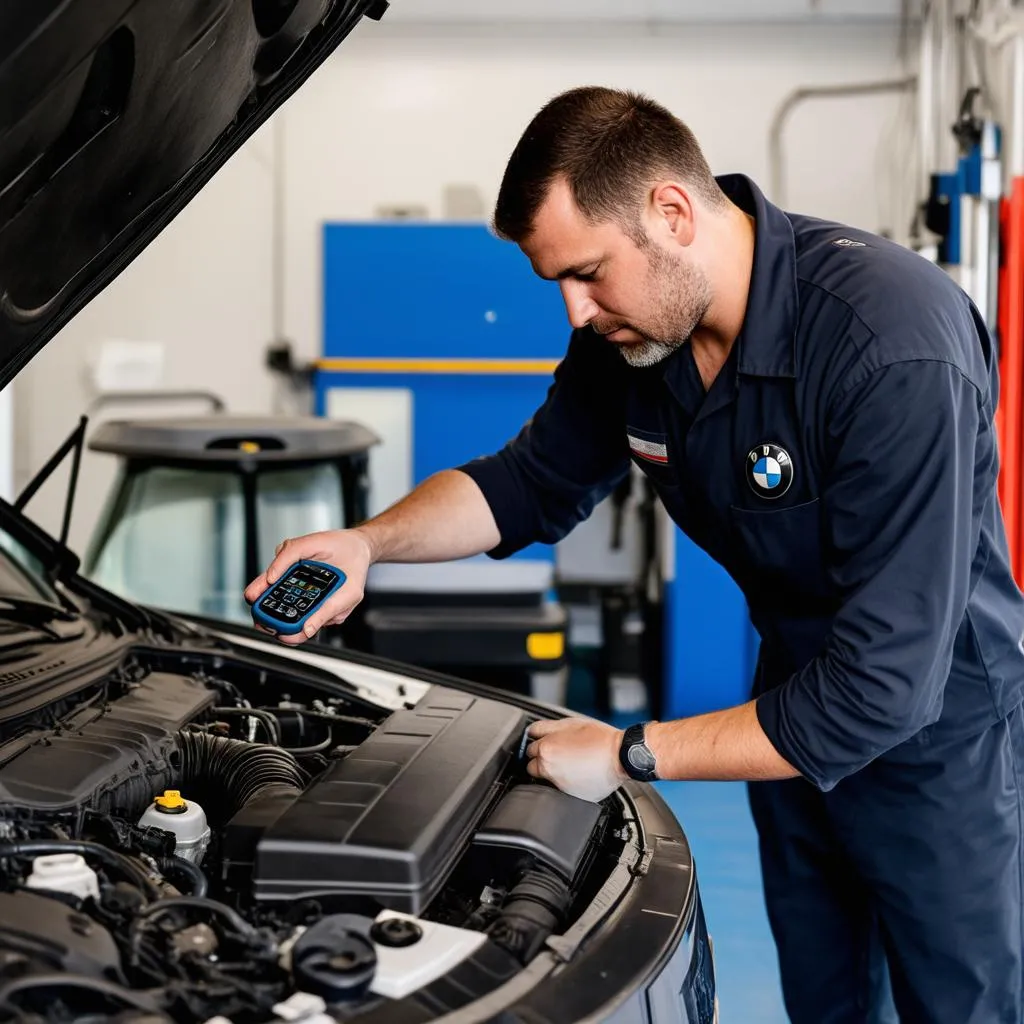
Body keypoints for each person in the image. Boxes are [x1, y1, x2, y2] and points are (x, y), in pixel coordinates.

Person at [245, 86, 1024, 1023]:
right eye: (557, 285)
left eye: (589, 273)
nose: (575, 312)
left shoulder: (890, 344)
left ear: (671, 212)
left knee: (964, 1006)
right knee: (826, 1003)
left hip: (942, 744)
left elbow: (885, 688)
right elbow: (524, 484)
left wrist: (628, 753)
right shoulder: (636, 339)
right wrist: (368, 543)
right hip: (786, 714)